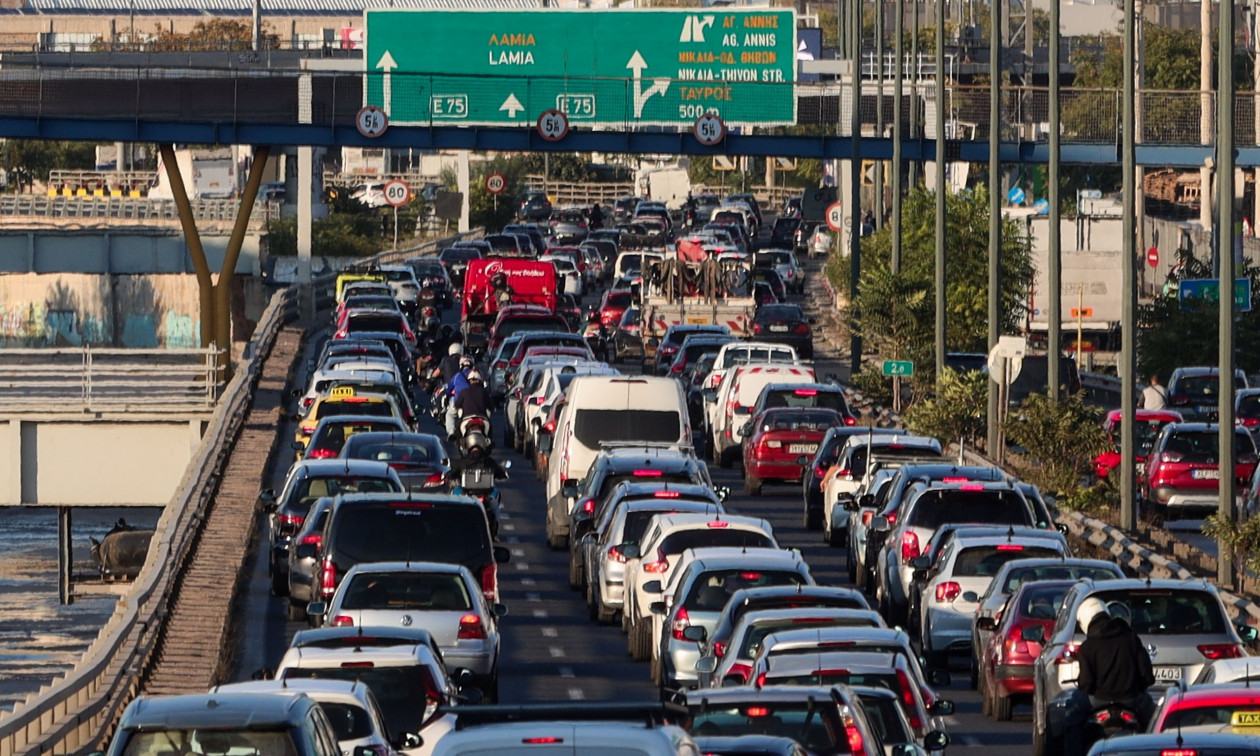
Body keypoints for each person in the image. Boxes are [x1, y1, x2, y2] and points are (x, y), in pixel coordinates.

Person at [1064, 597, 1156, 754]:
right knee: (1157, 722)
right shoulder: (1131, 638)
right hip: (1132, 700)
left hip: (1097, 701)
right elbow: (1147, 676)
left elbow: (1086, 684)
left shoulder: (1088, 647)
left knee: (1069, 719)